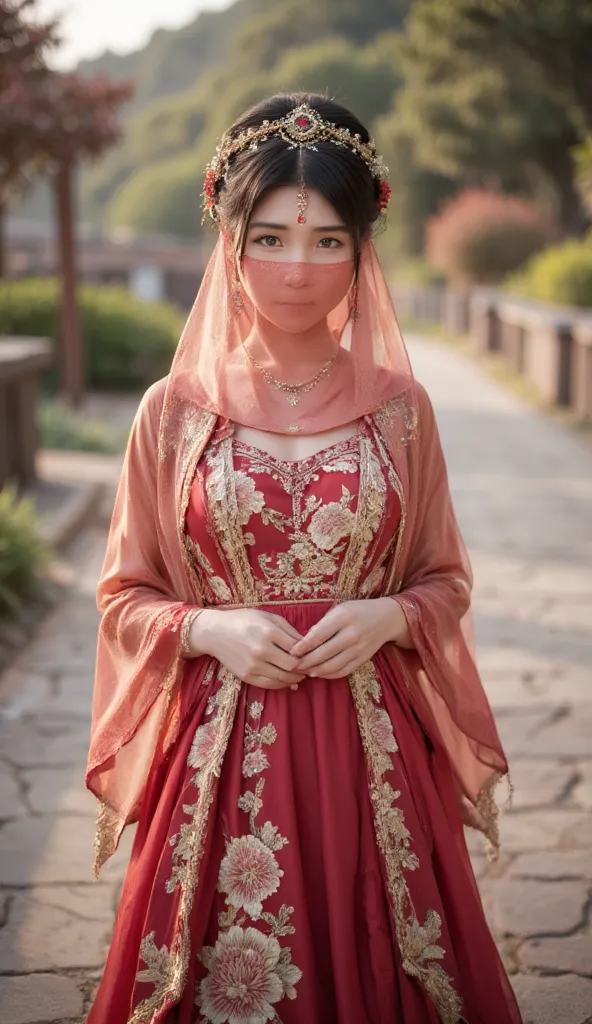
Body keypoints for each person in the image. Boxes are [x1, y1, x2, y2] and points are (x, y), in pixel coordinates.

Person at [85, 93, 522, 1024]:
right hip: (219, 744)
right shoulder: (173, 412)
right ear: (228, 240)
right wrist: (206, 628)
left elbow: (444, 577)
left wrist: (389, 616)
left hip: (373, 745)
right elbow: (124, 593)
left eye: (328, 240)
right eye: (272, 237)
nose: (298, 267)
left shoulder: (402, 409)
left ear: (364, 249)